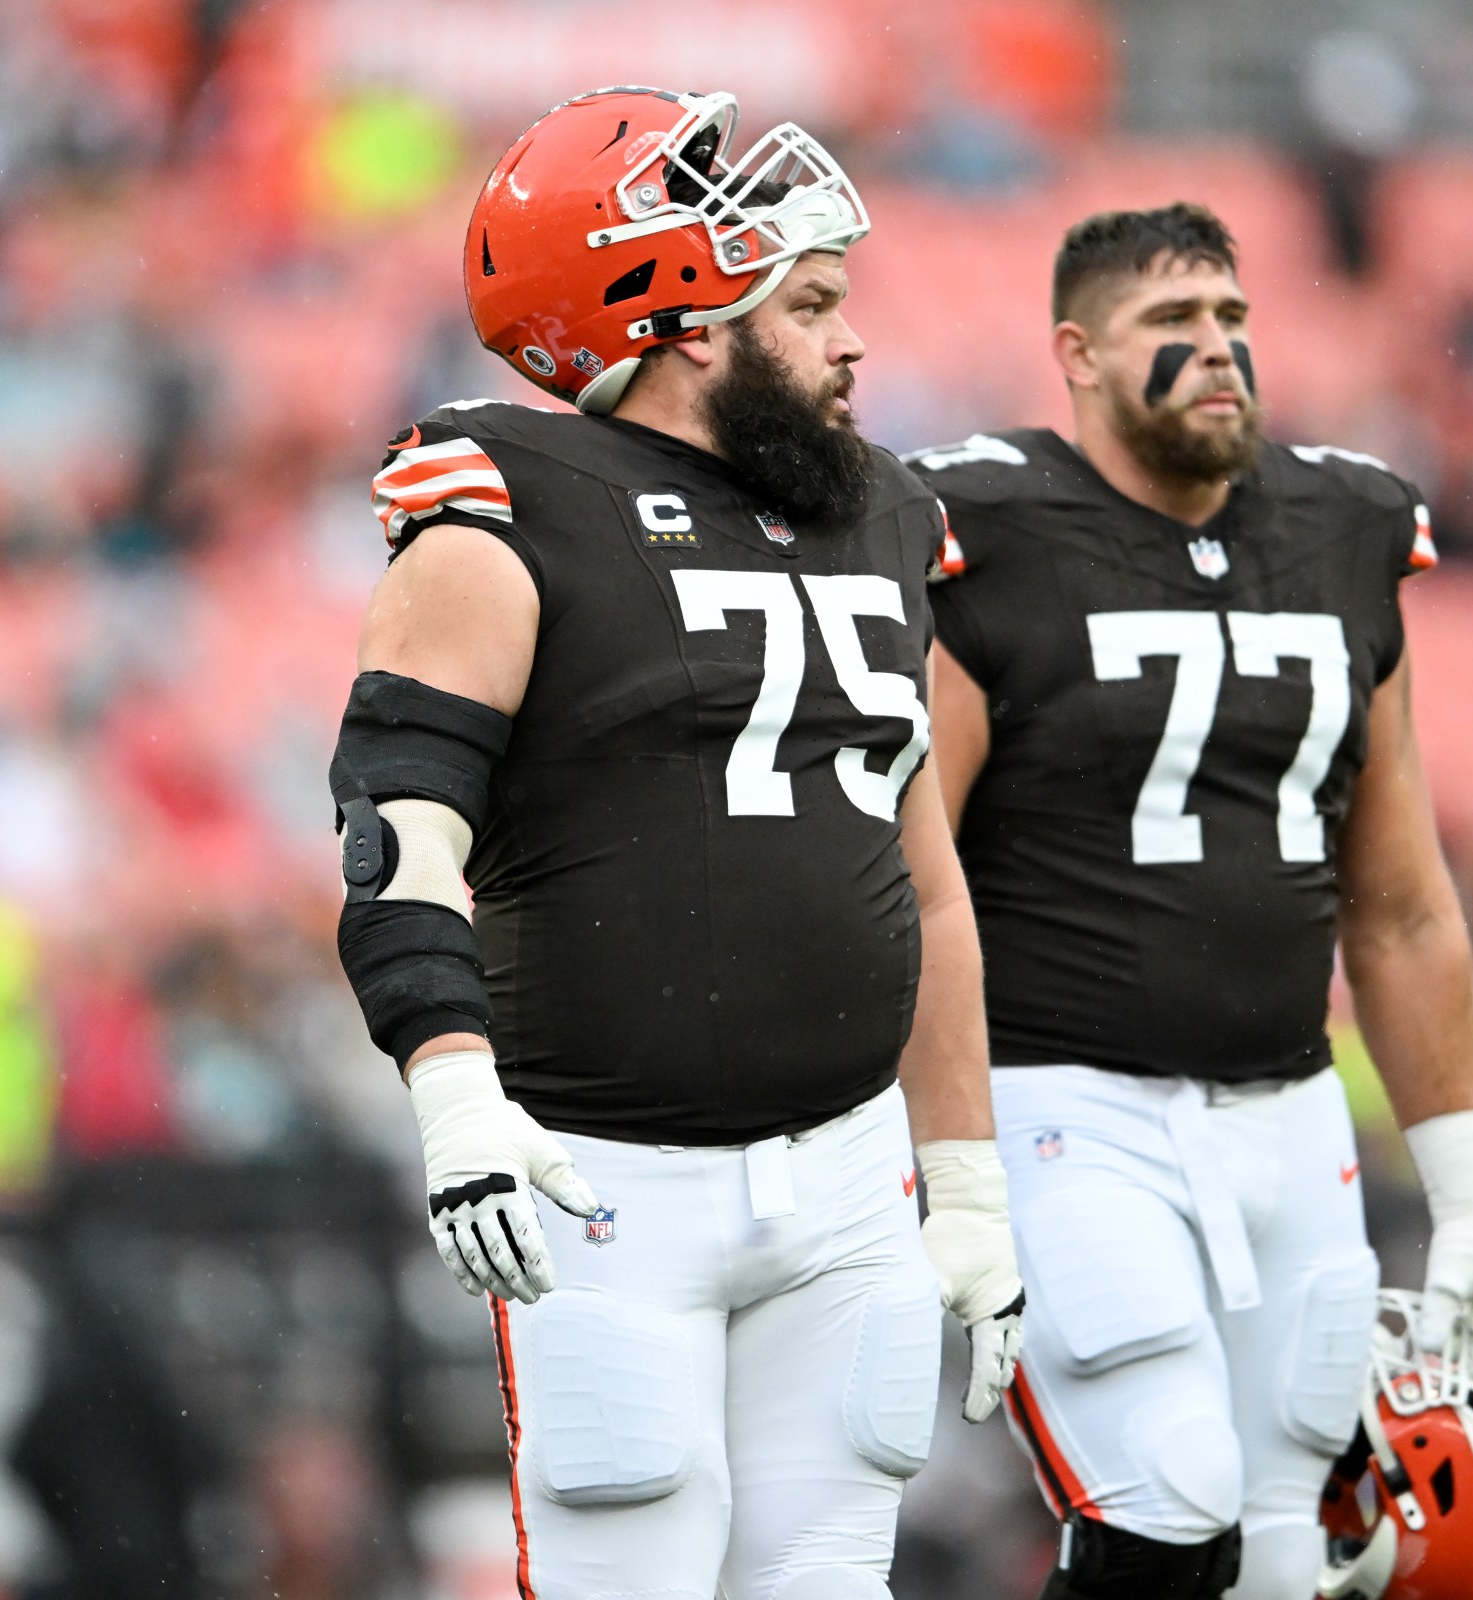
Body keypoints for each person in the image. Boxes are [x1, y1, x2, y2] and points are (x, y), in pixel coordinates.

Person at [330, 88, 1021, 1600]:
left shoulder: (884, 518)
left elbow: (926, 883)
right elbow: (394, 840)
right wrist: (455, 1100)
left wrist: (962, 1176)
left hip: (850, 1184)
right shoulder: (510, 502)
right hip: (602, 1181)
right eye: (817, 300)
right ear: (691, 318)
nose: (854, 344)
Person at [913, 203, 1473, 1600]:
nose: (1215, 352)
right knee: (1165, 1488)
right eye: (1171, 327)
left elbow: (1401, 905)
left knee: (1284, 1547)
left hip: (1291, 1105)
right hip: (1063, 1103)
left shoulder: (1342, 528)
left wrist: (1472, 1196)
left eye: (1233, 320)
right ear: (1074, 356)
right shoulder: (988, 530)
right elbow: (916, 876)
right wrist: (948, 1162)